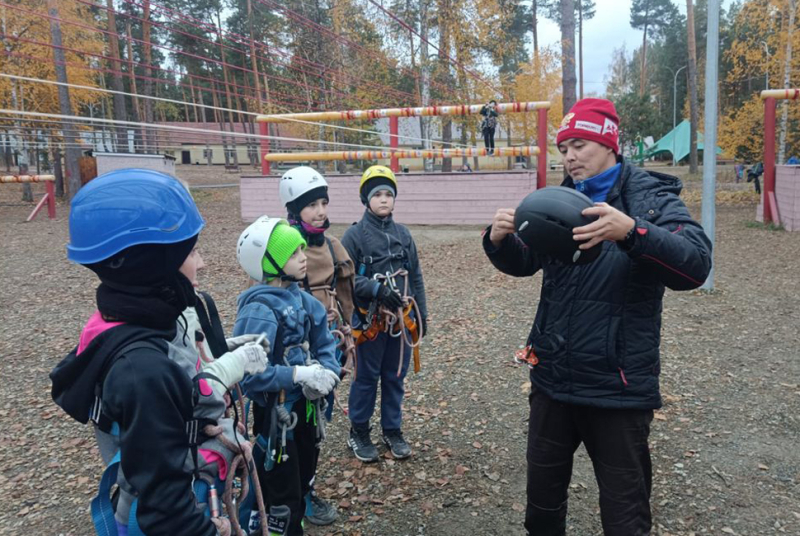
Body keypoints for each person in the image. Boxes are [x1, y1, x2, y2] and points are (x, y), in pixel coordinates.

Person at [483, 98, 712, 535]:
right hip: (551, 380)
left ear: (610, 144)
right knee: (543, 508)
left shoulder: (648, 197)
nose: (569, 155)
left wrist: (631, 232)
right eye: (564, 146)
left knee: (625, 515)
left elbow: (695, 265)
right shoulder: (561, 198)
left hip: (618, 389)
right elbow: (527, 261)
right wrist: (498, 241)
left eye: (580, 144)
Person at [50, 169, 247, 536]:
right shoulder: (144, 370)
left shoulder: (112, 327)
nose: (201, 263)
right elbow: (168, 516)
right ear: (151, 266)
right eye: (190, 251)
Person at [234, 216, 341, 536]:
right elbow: (250, 376)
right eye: (293, 254)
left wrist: (327, 374)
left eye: (301, 250)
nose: (304, 257)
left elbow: (326, 344)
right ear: (270, 262)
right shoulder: (258, 311)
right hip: (276, 420)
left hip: (307, 410)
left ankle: (297, 518)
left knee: (305, 474)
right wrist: (298, 374)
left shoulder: (306, 302)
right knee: (281, 494)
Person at [279, 166, 357, 526]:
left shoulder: (332, 245)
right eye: (311, 204)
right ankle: (290, 497)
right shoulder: (281, 249)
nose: (321, 211)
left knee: (316, 423)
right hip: (296, 351)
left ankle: (304, 490)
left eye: (324, 202)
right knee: (292, 426)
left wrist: (348, 331)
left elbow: (344, 293)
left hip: (329, 345)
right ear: (295, 209)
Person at [340, 165, 428, 462]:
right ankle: (359, 430)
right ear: (366, 199)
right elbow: (346, 279)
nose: (383, 200)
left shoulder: (403, 235)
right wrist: (377, 290)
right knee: (366, 377)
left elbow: (415, 276)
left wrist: (422, 317)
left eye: (388, 194)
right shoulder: (354, 236)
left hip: (401, 322)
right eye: (376, 194)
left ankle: (392, 429)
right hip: (370, 321)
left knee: (395, 376)